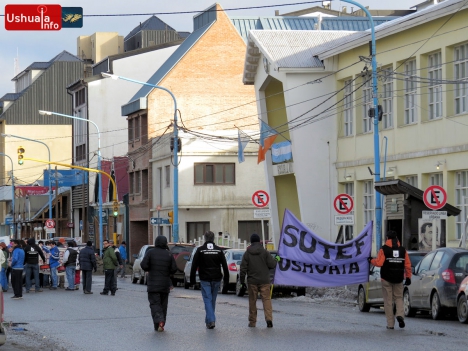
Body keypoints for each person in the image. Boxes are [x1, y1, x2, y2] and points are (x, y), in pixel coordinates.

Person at [370, 230, 412, 330]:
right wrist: (408, 277)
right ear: (397, 238)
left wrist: (371, 260)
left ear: (387, 238)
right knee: (399, 298)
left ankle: (390, 324)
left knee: (388, 301)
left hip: (386, 279)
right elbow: (408, 265)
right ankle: (400, 315)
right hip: (398, 279)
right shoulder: (403, 250)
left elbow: (379, 263)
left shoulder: (383, 249)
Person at [190, 231, 229, 329]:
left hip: (205, 278)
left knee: (207, 299)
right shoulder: (219, 250)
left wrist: (192, 280)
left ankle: (211, 320)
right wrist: (226, 280)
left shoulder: (200, 250)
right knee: (212, 300)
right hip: (216, 278)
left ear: (205, 238)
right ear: (213, 238)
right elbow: (225, 266)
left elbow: (194, 266)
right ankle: (209, 321)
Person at [239, 233, 277, 328]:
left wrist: (242, 282)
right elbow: (272, 265)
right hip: (264, 280)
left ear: (251, 242)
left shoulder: (247, 253)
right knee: (266, 300)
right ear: (259, 241)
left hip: (252, 281)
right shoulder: (265, 252)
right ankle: (269, 319)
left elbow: (243, 269)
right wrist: (277, 259)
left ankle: (252, 322)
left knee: (252, 301)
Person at [140, 236, 177, 332]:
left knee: (155, 303)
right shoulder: (168, 254)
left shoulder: (150, 252)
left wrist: (149, 269)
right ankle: (161, 323)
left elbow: (143, 265)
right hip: (165, 285)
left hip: (153, 284)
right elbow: (174, 269)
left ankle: (159, 321)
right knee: (163, 305)